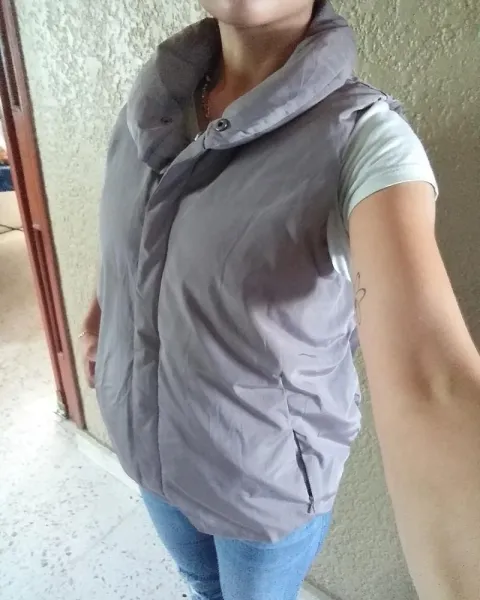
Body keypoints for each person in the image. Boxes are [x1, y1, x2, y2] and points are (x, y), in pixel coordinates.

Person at [81, 1, 480, 598]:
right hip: (147, 444)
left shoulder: (366, 140)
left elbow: (432, 386)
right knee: (200, 585)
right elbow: (136, 232)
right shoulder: (154, 97)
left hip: (261, 490)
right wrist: (100, 312)